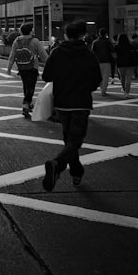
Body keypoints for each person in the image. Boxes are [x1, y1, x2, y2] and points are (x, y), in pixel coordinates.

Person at [41, 21, 103, 191]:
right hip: (81, 102)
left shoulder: (57, 52)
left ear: (66, 35)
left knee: (70, 140)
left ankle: (76, 171)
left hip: (62, 103)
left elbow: (46, 76)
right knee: (75, 140)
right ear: (82, 35)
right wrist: (86, 88)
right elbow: (96, 79)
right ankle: (58, 164)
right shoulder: (88, 54)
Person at [6, 23, 49, 117]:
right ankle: (26, 104)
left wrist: (9, 68)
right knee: (31, 87)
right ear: (30, 31)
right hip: (32, 67)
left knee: (26, 85)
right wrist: (49, 64)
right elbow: (43, 55)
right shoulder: (35, 41)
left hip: (21, 67)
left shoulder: (16, 41)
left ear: (21, 31)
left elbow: (12, 55)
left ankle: (28, 103)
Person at [90, 28, 115, 95]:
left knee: (99, 76)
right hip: (107, 61)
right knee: (105, 77)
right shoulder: (108, 41)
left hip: (97, 61)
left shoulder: (95, 42)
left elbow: (92, 52)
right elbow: (112, 51)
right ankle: (103, 90)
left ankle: (101, 87)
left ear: (99, 34)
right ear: (106, 34)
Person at [114, 33, 137, 98]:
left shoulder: (117, 46)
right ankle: (127, 92)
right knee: (128, 78)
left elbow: (114, 55)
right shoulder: (130, 45)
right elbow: (135, 53)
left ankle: (124, 89)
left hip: (121, 63)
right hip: (130, 63)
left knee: (122, 77)